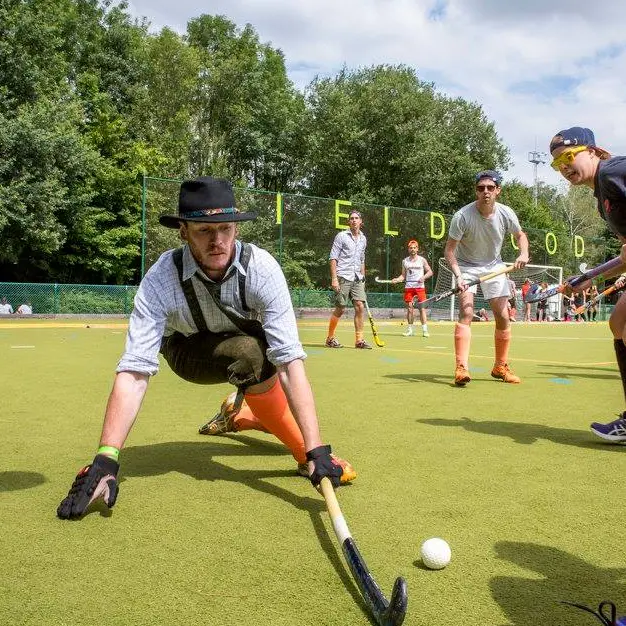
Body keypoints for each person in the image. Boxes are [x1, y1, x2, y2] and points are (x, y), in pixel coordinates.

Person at [57, 176, 356, 520]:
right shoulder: (160, 279)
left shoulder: (262, 269)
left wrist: (319, 448)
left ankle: (242, 414)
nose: (218, 241)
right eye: (203, 231)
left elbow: (289, 362)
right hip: (187, 350)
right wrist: (106, 458)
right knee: (250, 354)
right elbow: (135, 370)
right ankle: (298, 452)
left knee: (261, 352)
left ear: (236, 230)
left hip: (245, 343)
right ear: (183, 231)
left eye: (225, 229)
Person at [549, 126, 626, 441]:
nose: (565, 167)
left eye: (569, 156)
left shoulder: (613, 171)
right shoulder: (602, 200)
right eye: (558, 164)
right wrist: (588, 279)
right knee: (618, 320)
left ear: (593, 150)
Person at [444, 169, 529, 386]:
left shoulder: (506, 213)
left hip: (494, 266)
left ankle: (500, 366)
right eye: (481, 188)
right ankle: (461, 367)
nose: (485, 192)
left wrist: (523, 253)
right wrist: (459, 276)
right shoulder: (462, 216)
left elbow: (520, 235)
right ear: (476, 191)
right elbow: (450, 251)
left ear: (498, 190)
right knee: (467, 311)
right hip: (466, 266)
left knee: (502, 316)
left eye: (490, 188)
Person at [325, 209, 371, 349]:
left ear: (361, 222)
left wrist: (363, 277)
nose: (354, 220)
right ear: (348, 222)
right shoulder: (341, 236)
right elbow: (333, 258)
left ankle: (359, 340)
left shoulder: (363, 239)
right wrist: (334, 279)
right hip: (343, 276)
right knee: (341, 308)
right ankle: (330, 338)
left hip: (357, 278)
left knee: (359, 306)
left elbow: (362, 259)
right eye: (351, 218)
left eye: (356, 218)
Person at [388, 239, 433, 337]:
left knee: (422, 309)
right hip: (409, 288)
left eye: (414, 248)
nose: (413, 249)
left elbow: (430, 272)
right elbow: (403, 276)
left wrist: (423, 277)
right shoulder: (405, 261)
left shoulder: (422, 260)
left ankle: (425, 330)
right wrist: (397, 279)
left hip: (420, 288)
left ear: (417, 249)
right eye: (411, 248)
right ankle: (410, 330)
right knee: (410, 309)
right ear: (408, 249)